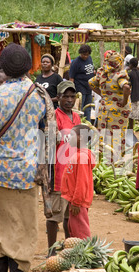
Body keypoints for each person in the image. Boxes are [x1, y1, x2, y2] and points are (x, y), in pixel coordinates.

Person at [0, 43, 54, 272]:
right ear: (29, 66)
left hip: (0, 168)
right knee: (24, 222)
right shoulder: (40, 95)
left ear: (4, 68)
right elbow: (46, 133)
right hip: (29, 169)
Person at [45, 81, 81, 255]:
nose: (69, 100)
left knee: (69, 218)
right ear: (58, 97)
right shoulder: (54, 117)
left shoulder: (77, 117)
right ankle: (51, 251)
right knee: (54, 216)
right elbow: (49, 143)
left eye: (72, 96)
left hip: (73, 173)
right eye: (65, 96)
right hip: (58, 173)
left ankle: (68, 250)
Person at [89, 50, 131, 160]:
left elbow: (91, 83)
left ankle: (102, 159)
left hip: (104, 110)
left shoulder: (102, 73)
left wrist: (103, 95)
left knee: (103, 134)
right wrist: (124, 101)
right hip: (117, 112)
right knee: (117, 135)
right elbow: (126, 87)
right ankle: (115, 160)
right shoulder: (119, 75)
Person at [61, 124, 96, 239]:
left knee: (80, 232)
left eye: (71, 135)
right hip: (75, 200)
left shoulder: (82, 157)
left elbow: (82, 182)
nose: (68, 138)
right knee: (74, 228)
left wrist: (76, 202)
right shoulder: (79, 155)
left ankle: (85, 252)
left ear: (80, 138)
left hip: (78, 202)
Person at [69, 44, 94, 122]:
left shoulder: (89, 58)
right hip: (80, 88)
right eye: (83, 54)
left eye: (87, 54)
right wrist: (72, 90)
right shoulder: (76, 62)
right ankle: (79, 124)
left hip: (89, 88)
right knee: (80, 108)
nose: (85, 56)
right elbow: (71, 77)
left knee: (88, 108)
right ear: (80, 53)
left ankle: (88, 124)